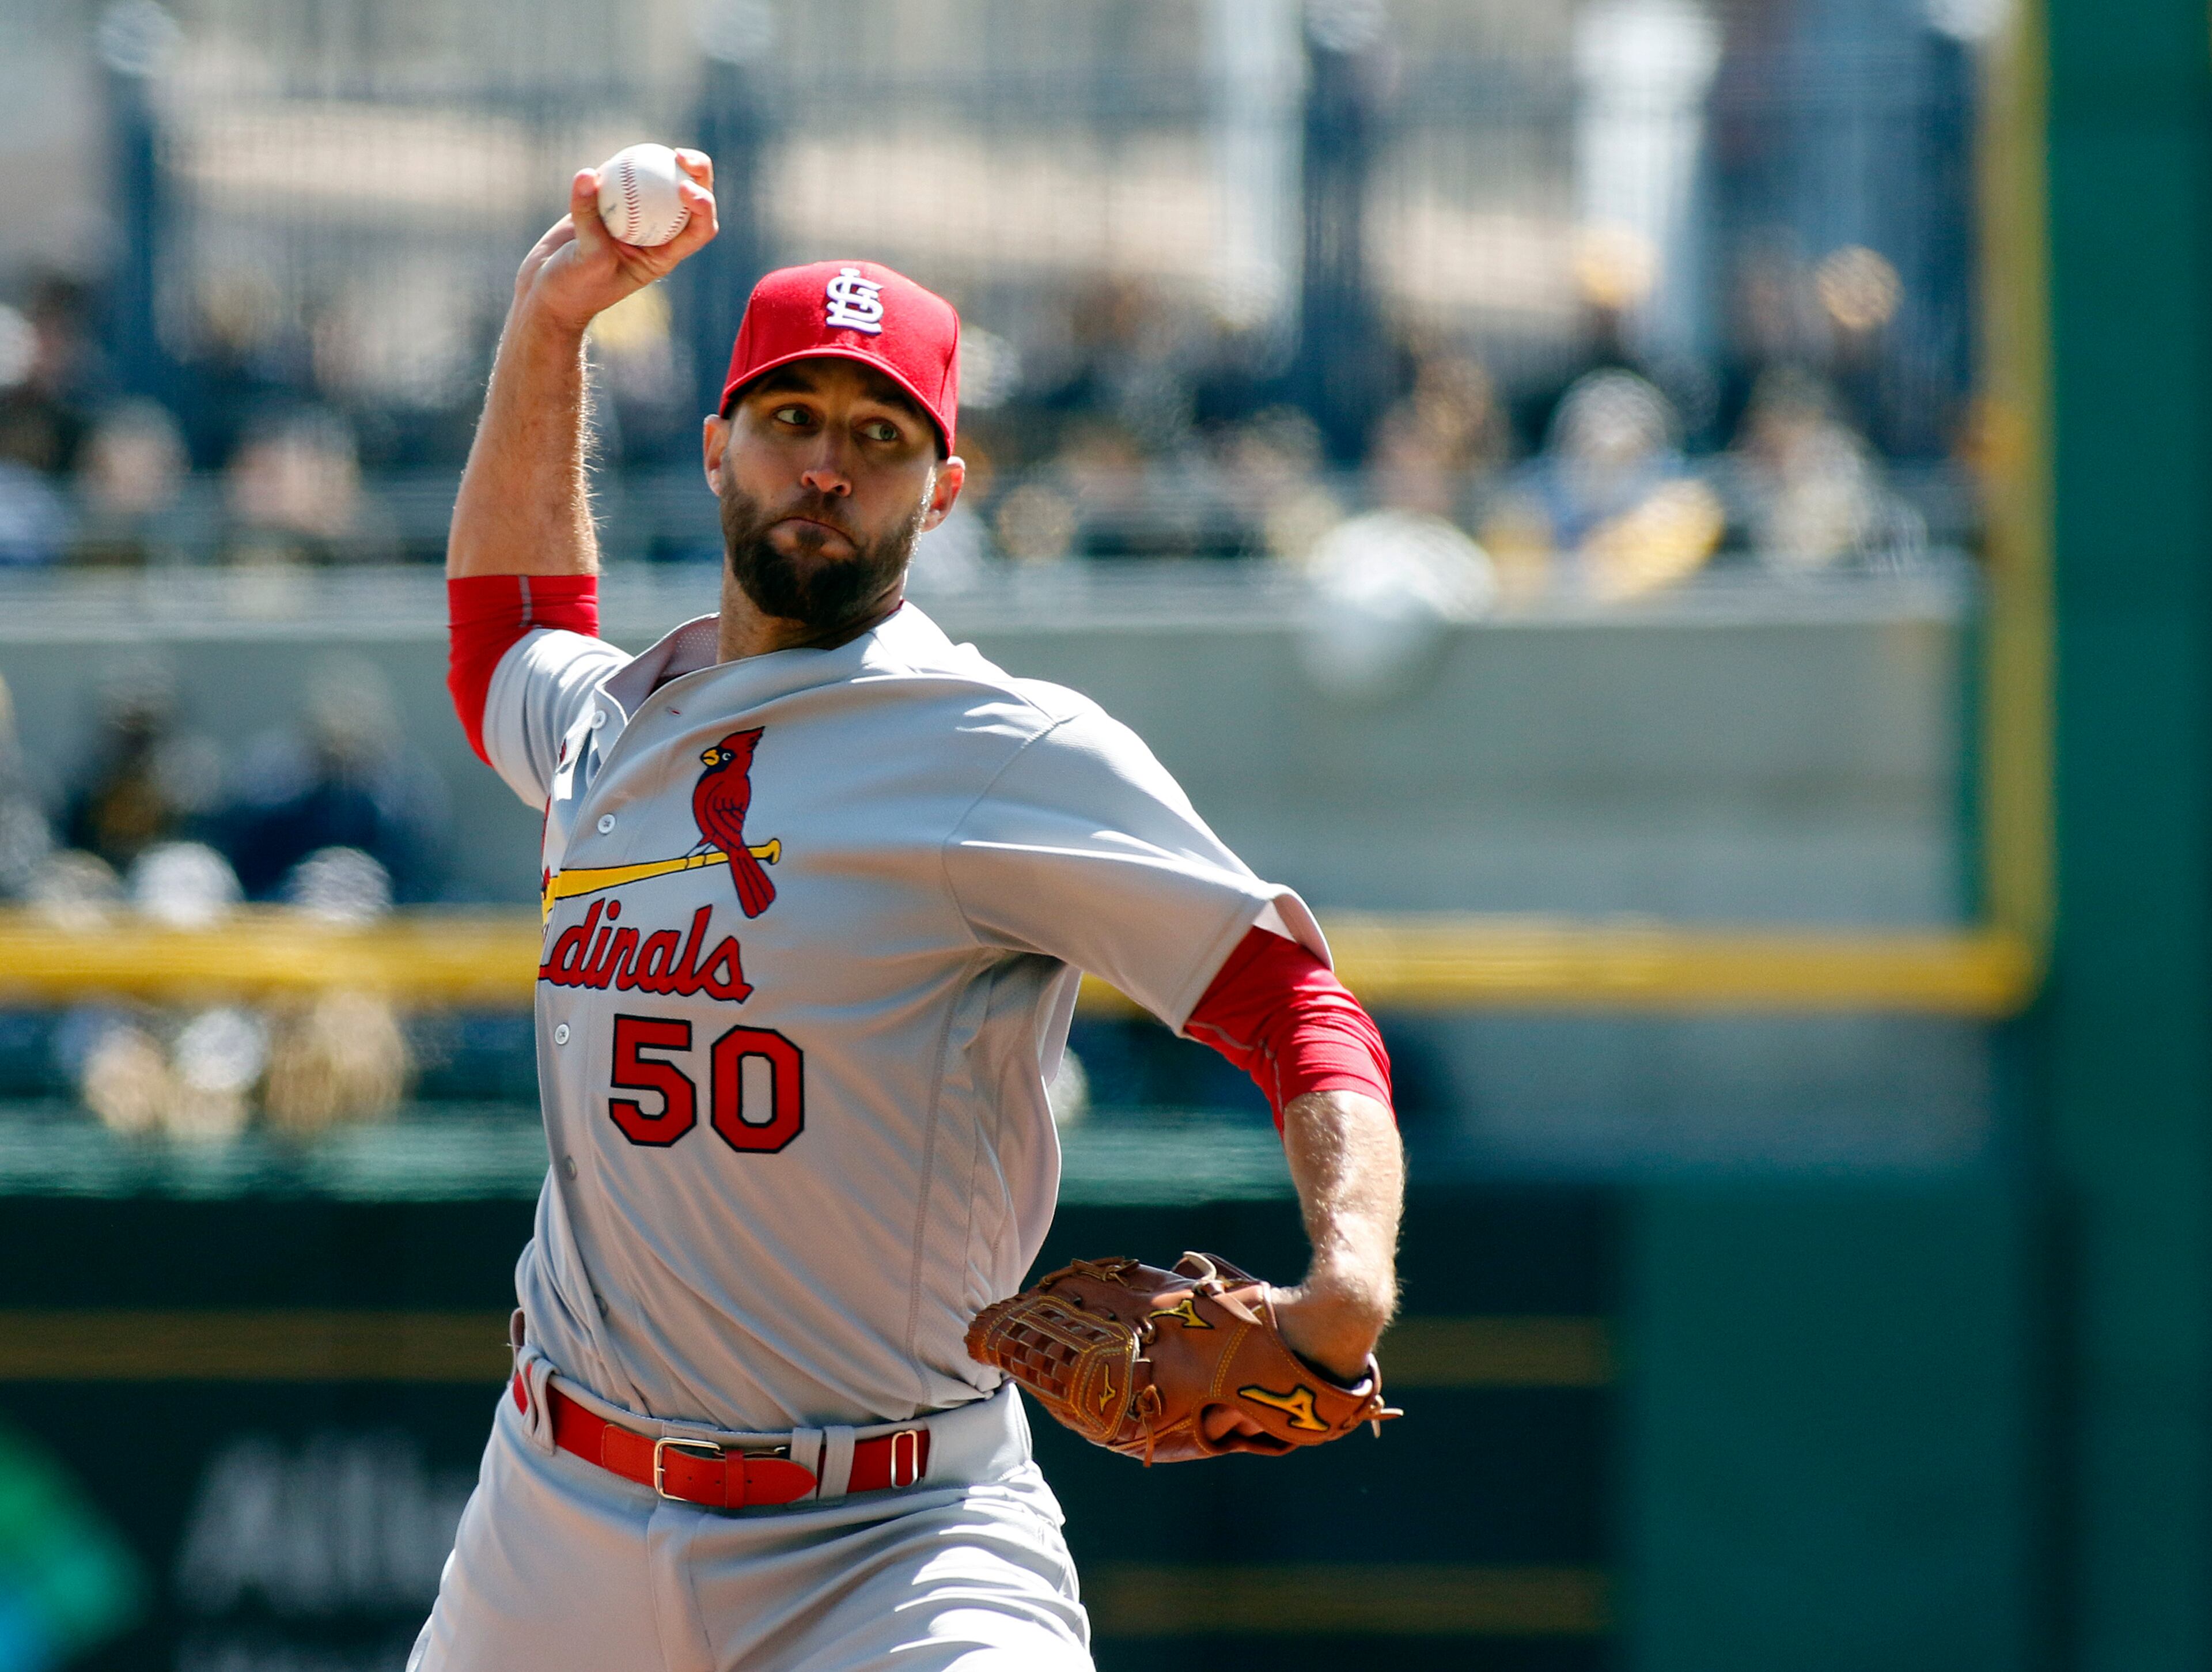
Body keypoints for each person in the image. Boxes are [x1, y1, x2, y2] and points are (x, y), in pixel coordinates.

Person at [415, 152, 1403, 1672]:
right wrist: (550, 334)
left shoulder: (996, 751)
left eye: (879, 435)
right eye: (793, 420)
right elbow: (505, 644)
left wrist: (1351, 1269)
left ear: (943, 487)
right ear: (718, 445)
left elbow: (1289, 1000)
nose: (828, 464)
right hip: (559, 1511)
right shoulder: (618, 723)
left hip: (890, 1541)